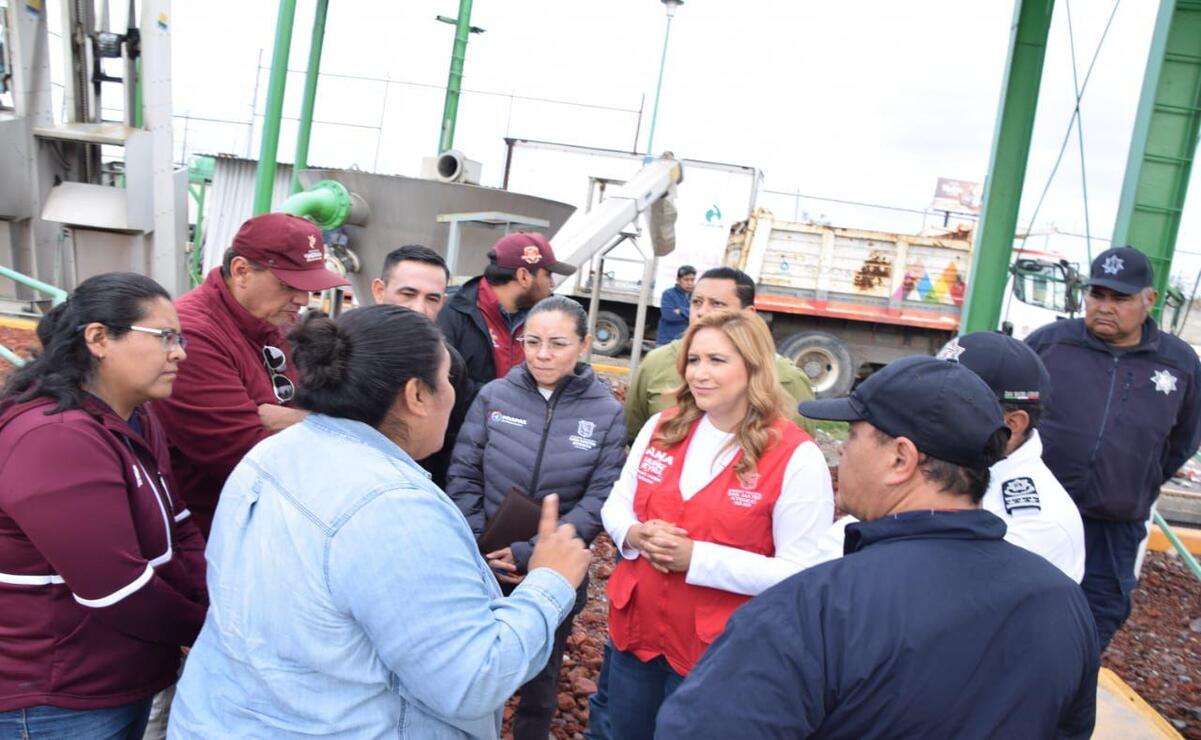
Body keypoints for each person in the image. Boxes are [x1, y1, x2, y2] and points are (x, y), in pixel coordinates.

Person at [169, 305, 592, 739]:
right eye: (447, 380)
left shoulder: (272, 453)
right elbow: (472, 679)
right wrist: (550, 581)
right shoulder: (395, 509)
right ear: (416, 395)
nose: (453, 393)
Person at [656, 356, 1099, 739]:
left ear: (901, 459)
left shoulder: (816, 606)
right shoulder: (1061, 601)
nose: (842, 452)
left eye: (852, 436)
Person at [595, 309, 833, 740]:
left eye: (717, 361)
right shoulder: (661, 427)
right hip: (638, 638)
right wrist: (635, 534)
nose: (700, 374)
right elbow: (617, 505)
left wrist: (697, 558)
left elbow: (802, 574)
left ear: (754, 367)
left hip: (719, 654)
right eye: (694, 360)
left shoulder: (795, 456)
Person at [0, 273, 207, 738]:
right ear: (98, 339)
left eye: (181, 338)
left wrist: (212, 602)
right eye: (165, 337)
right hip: (57, 702)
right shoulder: (55, 438)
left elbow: (180, 528)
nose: (180, 352)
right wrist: (215, 634)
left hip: (120, 680)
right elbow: (118, 591)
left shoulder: (135, 416)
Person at [446, 295, 625, 740]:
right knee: (472, 661)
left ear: (583, 345)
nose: (542, 354)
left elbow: (600, 497)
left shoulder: (606, 413)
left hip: (555, 564)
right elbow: (464, 470)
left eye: (558, 343)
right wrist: (476, 541)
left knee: (543, 670)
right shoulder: (495, 395)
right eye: (533, 342)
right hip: (484, 557)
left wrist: (535, 553)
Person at [1026, 245, 1201, 649]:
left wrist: (1136, 480)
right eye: (1097, 295)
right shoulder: (1050, 346)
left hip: (1114, 528)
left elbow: (1183, 440)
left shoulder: (1179, 364)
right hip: (1040, 513)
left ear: (1149, 300)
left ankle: (1065, 699)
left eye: (1119, 298)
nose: (1105, 307)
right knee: (1017, 609)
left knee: (1095, 622)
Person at [153, 212, 349, 539]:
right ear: (241, 271)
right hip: (211, 536)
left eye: (309, 287)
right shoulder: (194, 335)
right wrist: (331, 425)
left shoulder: (267, 319)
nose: (303, 299)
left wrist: (288, 418)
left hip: (258, 524)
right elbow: (247, 457)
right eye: (289, 285)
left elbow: (308, 403)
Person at [624, 266, 815, 444]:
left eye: (717, 304)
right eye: (697, 302)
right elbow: (635, 437)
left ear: (747, 314)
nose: (702, 312)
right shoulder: (657, 362)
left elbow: (798, 449)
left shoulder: (786, 378)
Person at [371, 244, 471, 488]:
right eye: (408, 294)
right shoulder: (341, 349)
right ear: (379, 290)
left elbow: (451, 447)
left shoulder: (450, 365)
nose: (419, 308)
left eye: (432, 298)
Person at [438, 232, 574, 407]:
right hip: (465, 431)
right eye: (548, 275)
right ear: (523, 276)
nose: (552, 284)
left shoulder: (547, 316)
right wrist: (510, 402)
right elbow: (443, 382)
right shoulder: (452, 311)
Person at [656, 265, 695, 346]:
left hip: (685, 342)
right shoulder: (668, 293)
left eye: (692, 280)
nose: (690, 283)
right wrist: (690, 313)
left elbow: (699, 316)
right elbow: (668, 315)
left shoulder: (696, 296)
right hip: (666, 341)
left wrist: (680, 311)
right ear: (678, 280)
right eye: (686, 280)